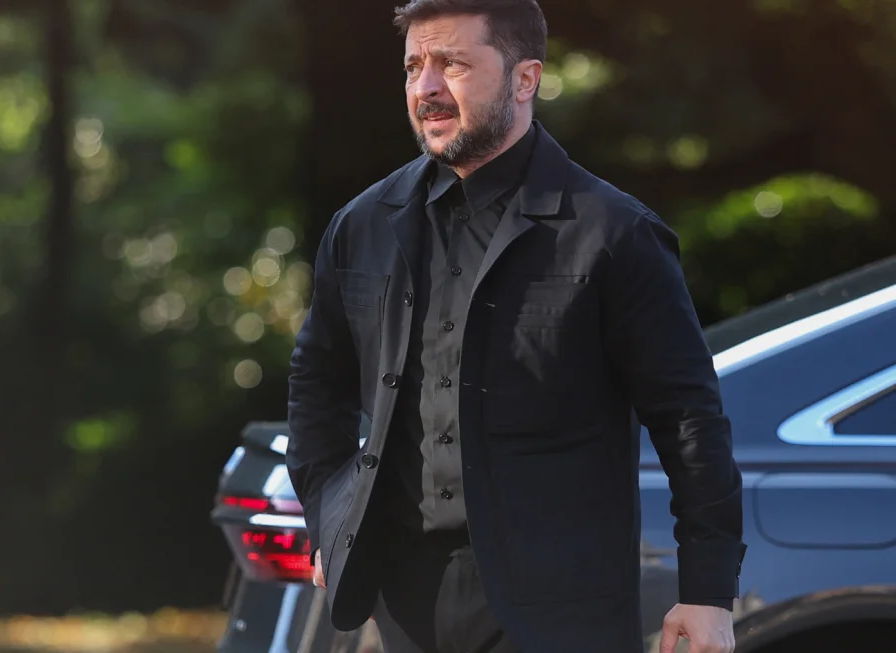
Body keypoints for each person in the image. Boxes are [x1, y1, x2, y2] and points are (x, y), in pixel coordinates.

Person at [284, 1, 747, 652]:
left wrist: (706, 593)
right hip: (402, 599)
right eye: (414, 66)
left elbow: (688, 418)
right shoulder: (361, 226)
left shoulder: (615, 233)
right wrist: (332, 520)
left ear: (524, 79)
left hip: (561, 609)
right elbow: (315, 385)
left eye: (452, 64)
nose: (426, 88)